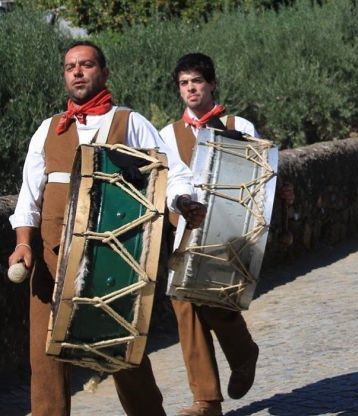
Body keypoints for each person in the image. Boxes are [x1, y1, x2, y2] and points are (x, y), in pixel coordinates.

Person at [7, 41, 205, 416]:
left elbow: (172, 173)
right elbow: (28, 197)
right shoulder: (48, 129)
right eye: (70, 67)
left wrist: (182, 201)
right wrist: (23, 244)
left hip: (112, 256)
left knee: (119, 349)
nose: (77, 72)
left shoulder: (130, 122)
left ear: (105, 72)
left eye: (86, 64)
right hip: (50, 256)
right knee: (43, 355)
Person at [158, 53, 261, 416]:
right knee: (184, 305)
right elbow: (169, 178)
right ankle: (206, 399)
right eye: (184, 83)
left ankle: (243, 352)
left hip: (229, 231)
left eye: (196, 81)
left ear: (212, 84)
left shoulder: (240, 124)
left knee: (217, 302)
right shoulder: (167, 134)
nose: (190, 88)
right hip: (185, 228)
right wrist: (181, 202)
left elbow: (258, 176)